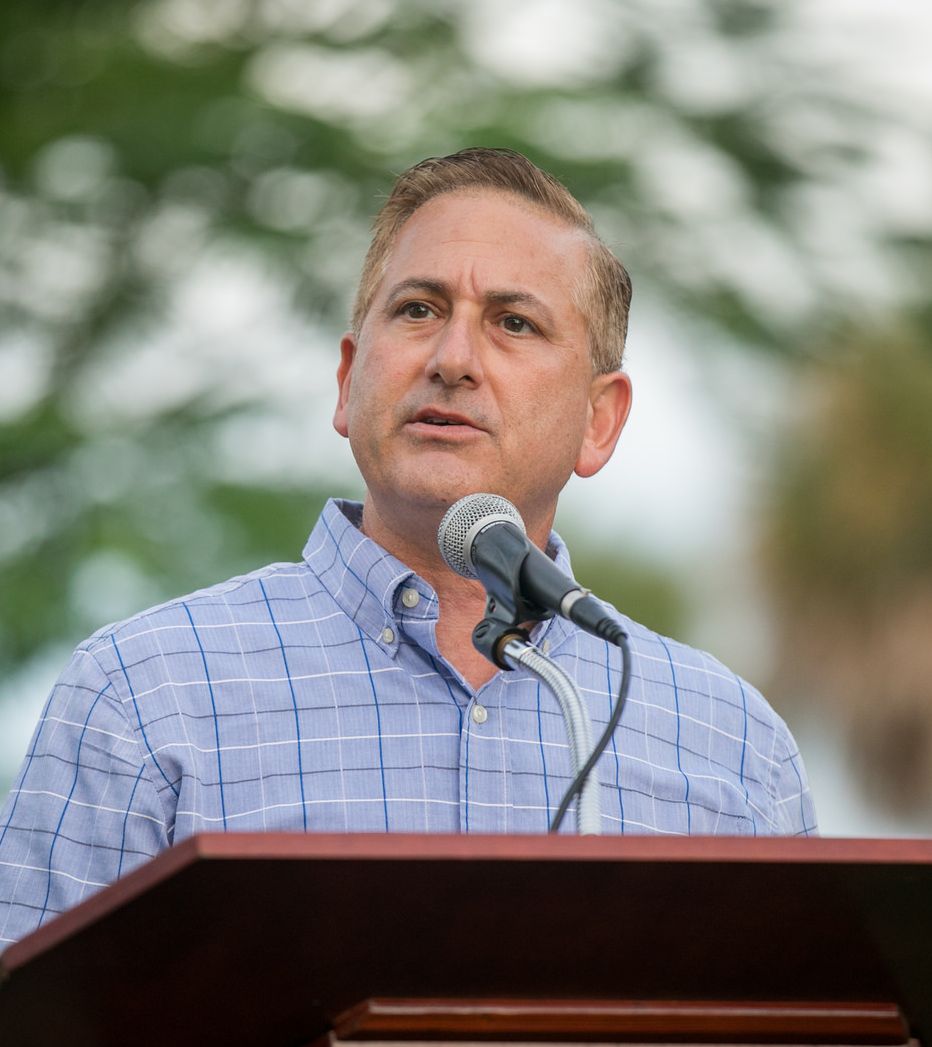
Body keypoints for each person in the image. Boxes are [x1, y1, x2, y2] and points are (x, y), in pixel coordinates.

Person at [0, 148, 816, 952]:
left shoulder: (731, 744)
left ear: (599, 420)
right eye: (419, 309)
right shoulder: (146, 695)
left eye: (514, 322)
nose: (453, 360)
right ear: (348, 380)